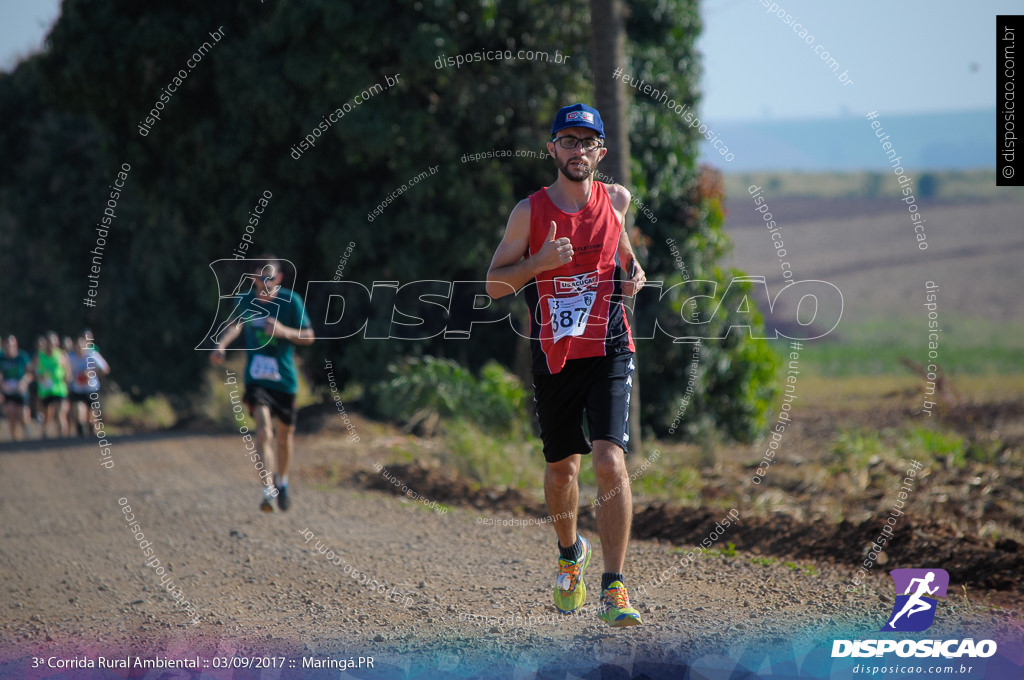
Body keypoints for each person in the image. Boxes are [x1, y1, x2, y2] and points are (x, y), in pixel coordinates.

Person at [486, 103, 647, 627]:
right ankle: (570, 553)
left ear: (601, 151)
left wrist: (633, 272)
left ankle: (614, 586)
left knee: (609, 463)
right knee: (562, 472)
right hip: (555, 354)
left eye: (588, 142)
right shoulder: (529, 212)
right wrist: (537, 264)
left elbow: (622, 251)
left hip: (609, 347)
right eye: (569, 141)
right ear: (552, 148)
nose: (579, 151)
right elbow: (493, 285)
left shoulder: (618, 199)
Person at [210, 255, 313, 512]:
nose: (264, 282)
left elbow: (309, 336)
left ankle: (283, 481)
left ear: (278, 278)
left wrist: (283, 331)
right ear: (253, 278)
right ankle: (267, 489)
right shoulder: (245, 300)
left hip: (285, 380)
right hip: (256, 380)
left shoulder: (291, 301)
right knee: (265, 432)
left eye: (270, 278)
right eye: (259, 277)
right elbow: (235, 324)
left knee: (284, 437)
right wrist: (221, 345)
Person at [68, 334, 110, 437]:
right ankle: (80, 433)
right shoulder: (71, 358)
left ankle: (92, 432)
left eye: (81, 346)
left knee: (92, 416)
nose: (79, 349)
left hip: (91, 389)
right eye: (77, 346)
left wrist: (91, 372)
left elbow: (105, 369)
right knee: (78, 411)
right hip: (77, 389)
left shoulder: (92, 355)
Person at [34, 331, 71, 438]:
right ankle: (44, 433)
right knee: (47, 415)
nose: (51, 345)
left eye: (53, 342)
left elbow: (67, 371)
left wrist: (67, 378)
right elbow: (34, 371)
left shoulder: (61, 355)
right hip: (45, 390)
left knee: (60, 414)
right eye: (49, 342)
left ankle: (63, 438)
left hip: (59, 389)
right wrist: (40, 377)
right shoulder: (40, 355)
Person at [1, 335, 33, 441]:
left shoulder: (22, 356)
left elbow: (31, 373)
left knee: (23, 415)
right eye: (6, 346)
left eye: (10, 345)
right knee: (11, 412)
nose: (8, 348)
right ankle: (15, 439)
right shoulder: (1, 358)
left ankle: (27, 433)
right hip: (8, 391)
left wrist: (24, 381)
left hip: (20, 390)